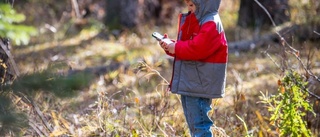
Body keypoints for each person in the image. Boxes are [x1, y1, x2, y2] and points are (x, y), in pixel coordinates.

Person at [159, 0, 228, 136]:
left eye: (192, 5)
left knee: (200, 125)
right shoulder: (198, 20)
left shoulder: (211, 23)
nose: (189, 9)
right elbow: (188, 45)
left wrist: (176, 47)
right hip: (192, 82)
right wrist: (171, 46)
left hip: (200, 84)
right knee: (194, 126)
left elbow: (198, 48)